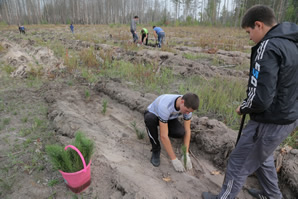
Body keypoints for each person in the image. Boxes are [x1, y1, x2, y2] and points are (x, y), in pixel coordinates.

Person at [202, 5, 298, 199]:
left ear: (259, 25)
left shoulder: (268, 46)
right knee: (262, 157)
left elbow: (260, 98)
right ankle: (273, 196)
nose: (249, 37)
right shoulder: (292, 43)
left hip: (269, 120)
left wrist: (244, 107)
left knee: (238, 161)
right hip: (288, 116)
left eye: (249, 32)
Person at [144, 93, 199, 172]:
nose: (187, 113)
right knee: (149, 119)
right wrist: (174, 159)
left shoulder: (188, 105)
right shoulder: (165, 106)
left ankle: (165, 129)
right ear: (182, 102)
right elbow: (163, 136)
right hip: (153, 115)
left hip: (168, 118)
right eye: (186, 111)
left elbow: (187, 130)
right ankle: (156, 149)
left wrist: (186, 153)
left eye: (189, 112)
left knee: (180, 132)